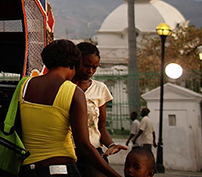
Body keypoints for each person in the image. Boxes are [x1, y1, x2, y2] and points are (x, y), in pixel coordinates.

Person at [18, 39, 121, 177]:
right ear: (74, 64)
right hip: (60, 167)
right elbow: (84, 145)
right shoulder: (73, 92)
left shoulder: (25, 85)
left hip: (28, 167)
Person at [72, 42, 127, 177]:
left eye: (94, 67)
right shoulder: (64, 87)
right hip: (69, 152)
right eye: (86, 66)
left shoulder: (100, 89)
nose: (90, 71)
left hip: (93, 153)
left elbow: (101, 128)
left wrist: (111, 145)